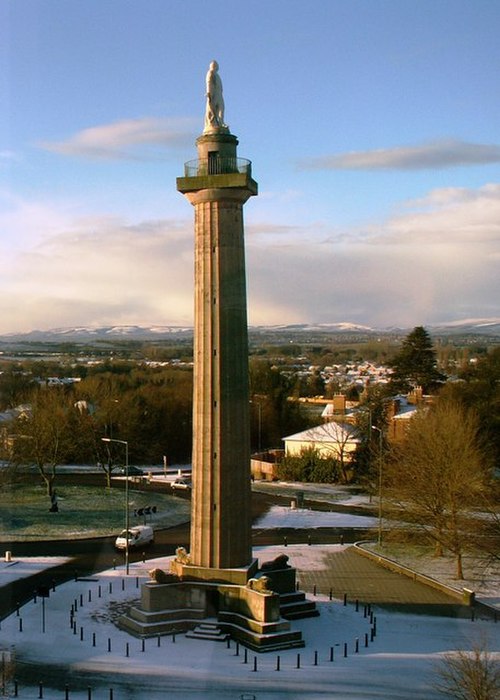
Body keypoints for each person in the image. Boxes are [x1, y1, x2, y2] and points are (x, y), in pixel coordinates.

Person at [204, 60, 226, 131]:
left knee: (221, 108)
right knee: (211, 109)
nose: (215, 67)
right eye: (214, 65)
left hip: (219, 94)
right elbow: (208, 83)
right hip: (213, 94)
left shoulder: (217, 75)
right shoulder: (210, 73)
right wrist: (208, 93)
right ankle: (212, 123)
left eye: (215, 65)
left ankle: (220, 122)